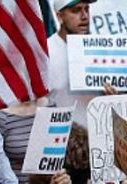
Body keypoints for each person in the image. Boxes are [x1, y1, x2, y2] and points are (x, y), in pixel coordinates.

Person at [48, 0, 98, 129]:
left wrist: (114, 95)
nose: (84, 16)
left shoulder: (101, 48)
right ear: (60, 17)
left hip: (98, 137)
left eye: (86, 9)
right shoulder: (46, 52)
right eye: (76, 10)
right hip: (61, 139)